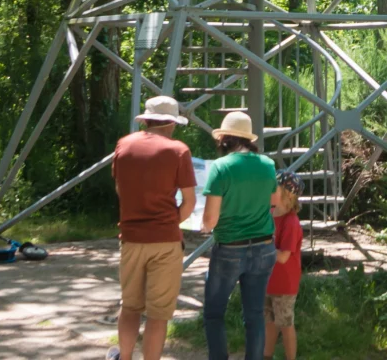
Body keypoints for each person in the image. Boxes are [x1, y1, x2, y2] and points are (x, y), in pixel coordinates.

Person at [108, 95, 197, 360]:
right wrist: (168, 222)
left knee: (130, 307)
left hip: (131, 238)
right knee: (158, 315)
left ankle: (123, 357)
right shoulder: (178, 151)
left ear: (146, 120)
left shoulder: (123, 145)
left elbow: (119, 188)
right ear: (171, 123)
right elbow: (190, 203)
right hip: (166, 240)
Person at [199, 111, 278, 360]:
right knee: (254, 315)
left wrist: (202, 226)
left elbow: (210, 220)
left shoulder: (221, 167)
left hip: (230, 249)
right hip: (265, 248)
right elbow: (274, 202)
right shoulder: (267, 164)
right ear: (248, 139)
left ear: (224, 139)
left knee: (214, 313)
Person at [263, 173, 303, 360]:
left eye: (274, 187)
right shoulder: (268, 214)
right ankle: (266, 356)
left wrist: (262, 244)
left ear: (287, 194)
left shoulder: (291, 222)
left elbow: (284, 257)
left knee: (285, 324)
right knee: (269, 322)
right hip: (267, 281)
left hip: (284, 285)